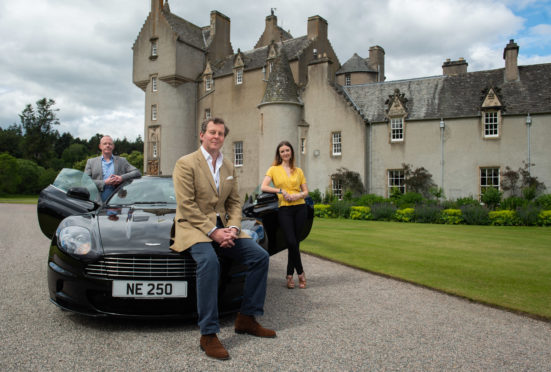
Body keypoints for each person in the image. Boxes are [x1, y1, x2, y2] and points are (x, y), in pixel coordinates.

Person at [171, 117, 275, 361]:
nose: (216, 136)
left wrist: (233, 228)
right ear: (202, 135)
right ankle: (208, 334)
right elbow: (186, 206)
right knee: (210, 262)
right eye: (211, 132)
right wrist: (213, 232)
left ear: (223, 138)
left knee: (260, 256)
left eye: (220, 133)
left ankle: (247, 318)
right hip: (194, 227)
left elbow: (234, 202)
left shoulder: (228, 165)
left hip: (224, 227)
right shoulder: (185, 163)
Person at [261, 141, 309, 289]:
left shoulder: (298, 171)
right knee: (291, 242)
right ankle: (300, 273)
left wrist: (297, 196)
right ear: (279, 154)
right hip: (285, 210)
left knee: (295, 242)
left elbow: (306, 192)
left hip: (300, 207)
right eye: (282, 151)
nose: (285, 153)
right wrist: (280, 191)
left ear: (291, 152)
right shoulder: (273, 169)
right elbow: (264, 186)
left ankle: (289, 276)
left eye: (287, 150)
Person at [84, 135, 141, 201]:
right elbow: (86, 182)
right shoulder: (91, 162)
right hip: (97, 202)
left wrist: (121, 178)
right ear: (100, 146)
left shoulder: (122, 161)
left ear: (113, 146)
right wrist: (104, 182)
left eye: (110, 144)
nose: (107, 145)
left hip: (118, 200)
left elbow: (137, 172)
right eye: (105, 143)